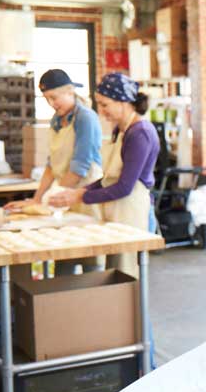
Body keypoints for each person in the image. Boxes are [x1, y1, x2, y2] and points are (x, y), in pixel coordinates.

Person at [49, 72, 159, 277]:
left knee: (127, 279)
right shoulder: (122, 130)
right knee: (114, 277)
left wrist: (81, 196)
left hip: (132, 214)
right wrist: (82, 190)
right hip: (117, 213)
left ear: (124, 102)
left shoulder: (140, 133)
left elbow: (124, 187)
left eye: (105, 105)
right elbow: (109, 178)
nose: (101, 111)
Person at [5, 69, 103, 274]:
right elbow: (51, 166)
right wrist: (37, 199)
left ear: (70, 91)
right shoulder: (56, 120)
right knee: (63, 255)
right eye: (47, 99)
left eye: (54, 98)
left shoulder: (86, 118)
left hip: (85, 196)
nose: (51, 104)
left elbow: (79, 167)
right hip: (63, 195)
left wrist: (49, 200)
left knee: (89, 259)